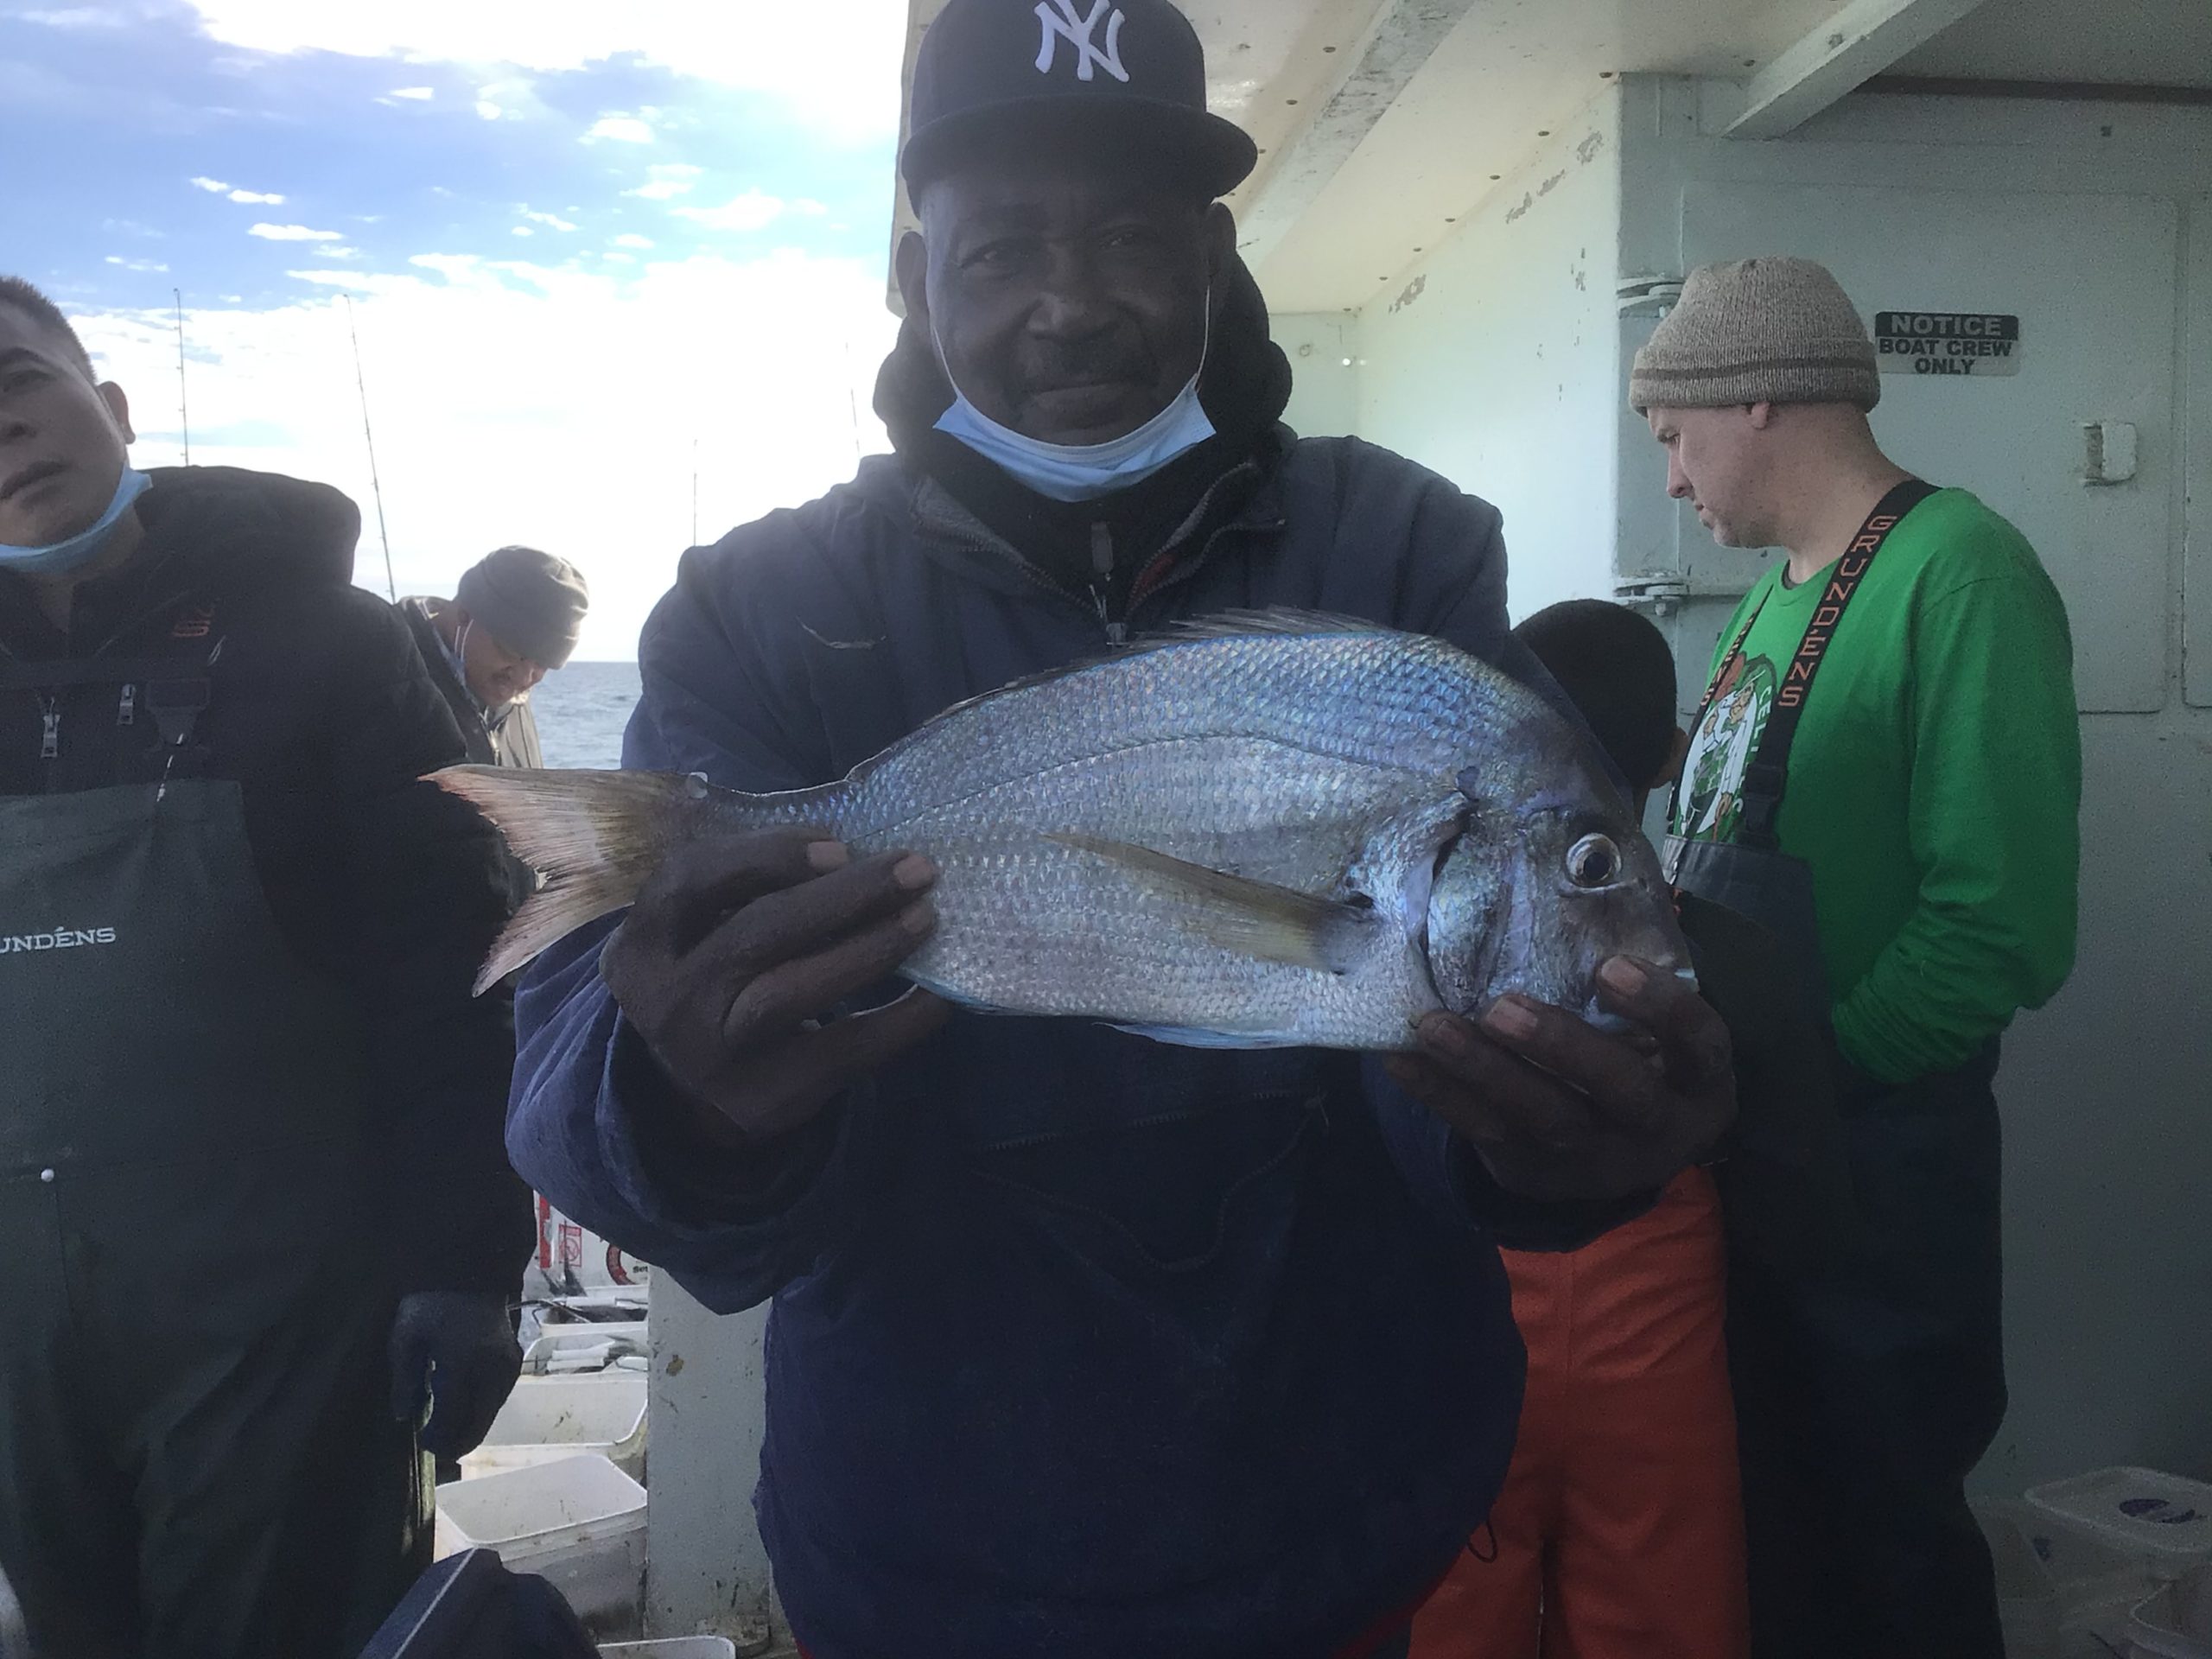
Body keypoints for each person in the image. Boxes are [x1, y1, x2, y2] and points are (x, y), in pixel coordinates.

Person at [508, 5, 1737, 1656]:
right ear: (909, 277)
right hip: (925, 1529)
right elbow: (573, 1081)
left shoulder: (1400, 544)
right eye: (1002, 247)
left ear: (1215, 257)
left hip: (1357, 1510)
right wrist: (678, 1105)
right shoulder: (760, 610)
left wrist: (1549, 1146)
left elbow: (1437, 1037)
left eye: (1131, 239)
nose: (1069, 303)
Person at [0, 274, 532, 1657]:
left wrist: (467, 1263)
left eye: (16, 385)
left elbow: (455, 960)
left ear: (107, 406)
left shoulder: (332, 646)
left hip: (288, 1326)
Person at [1633, 257, 2082, 1656]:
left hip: (1875, 1179)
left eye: (1673, 435)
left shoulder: (1962, 573)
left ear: (1756, 397)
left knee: (1883, 1557)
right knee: (1777, 1547)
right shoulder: (1773, 600)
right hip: (1756, 1159)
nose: (1671, 480)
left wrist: (1814, 1085)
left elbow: (1999, 923)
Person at [1411, 600, 1750, 1659]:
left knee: (1446, 1607)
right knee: (1665, 1610)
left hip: (1458, 1319)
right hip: (1663, 1345)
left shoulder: (1421, 961)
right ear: (1668, 758)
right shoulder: (1732, 959)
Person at [402, 544, 589, 771]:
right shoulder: (381, 674)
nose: (524, 678)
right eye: (510, 650)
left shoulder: (510, 694)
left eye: (543, 663)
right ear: (464, 614)